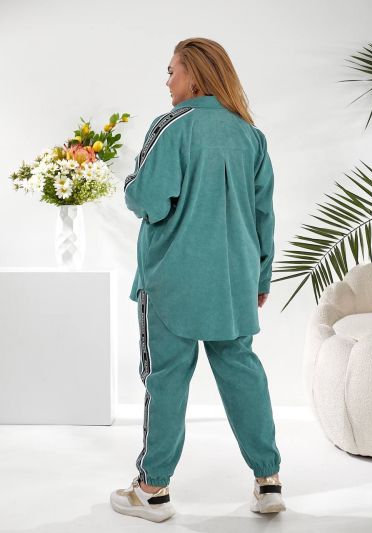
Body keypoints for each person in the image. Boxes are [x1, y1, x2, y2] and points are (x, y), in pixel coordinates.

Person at [110, 37, 286, 523]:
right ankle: (269, 481)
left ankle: (153, 490)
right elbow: (264, 215)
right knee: (242, 372)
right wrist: (261, 276)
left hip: (173, 278)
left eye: (172, 70)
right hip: (235, 280)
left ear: (195, 74)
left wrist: (129, 183)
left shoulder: (171, 125)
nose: (167, 80)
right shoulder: (250, 135)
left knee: (166, 379)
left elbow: (147, 199)